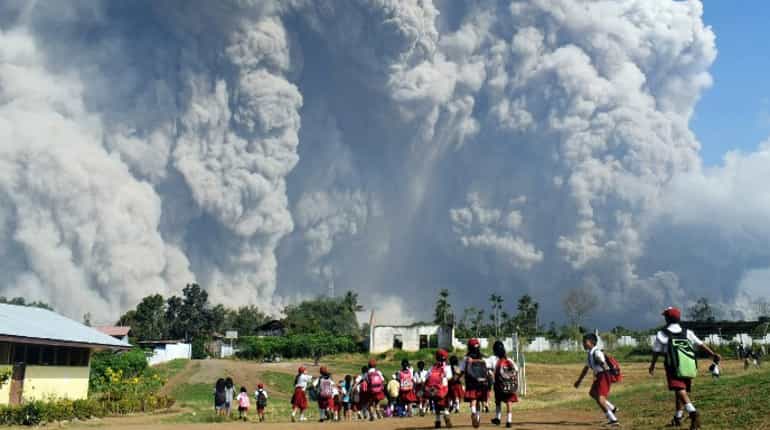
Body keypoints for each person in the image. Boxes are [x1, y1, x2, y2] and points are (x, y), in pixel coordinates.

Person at [650, 307, 721, 430]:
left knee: (679, 390)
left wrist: (652, 365)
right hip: (688, 365)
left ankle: (693, 413)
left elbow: (656, 351)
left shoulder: (662, 334)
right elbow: (700, 344)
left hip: (673, 366)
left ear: (667, 319)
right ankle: (678, 417)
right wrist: (713, 354)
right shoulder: (687, 332)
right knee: (680, 391)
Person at [574, 334, 618, 427]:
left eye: (585, 342)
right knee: (592, 393)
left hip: (604, 375)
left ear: (592, 343)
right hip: (599, 375)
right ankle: (612, 408)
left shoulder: (596, 352)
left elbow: (603, 364)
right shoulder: (590, 353)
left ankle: (613, 419)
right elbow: (586, 368)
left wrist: (608, 375)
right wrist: (579, 381)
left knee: (600, 398)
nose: (583, 344)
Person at [459, 338, 491, 428]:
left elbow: (461, 370)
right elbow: (488, 370)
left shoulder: (466, 358)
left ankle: (473, 412)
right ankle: (477, 416)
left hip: (471, 382)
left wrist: (458, 378)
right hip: (482, 382)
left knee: (473, 399)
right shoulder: (483, 357)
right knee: (479, 399)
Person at [488, 341, 519, 428]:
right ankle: (509, 421)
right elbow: (516, 370)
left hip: (499, 385)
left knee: (498, 401)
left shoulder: (494, 359)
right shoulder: (509, 360)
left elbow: (489, 369)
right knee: (509, 402)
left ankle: (498, 418)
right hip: (509, 385)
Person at [424, 349, 453, 429]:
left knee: (436, 405)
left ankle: (437, 421)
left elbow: (425, 378)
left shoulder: (432, 368)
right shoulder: (447, 367)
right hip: (443, 389)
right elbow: (449, 377)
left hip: (433, 390)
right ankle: (446, 413)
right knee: (445, 404)